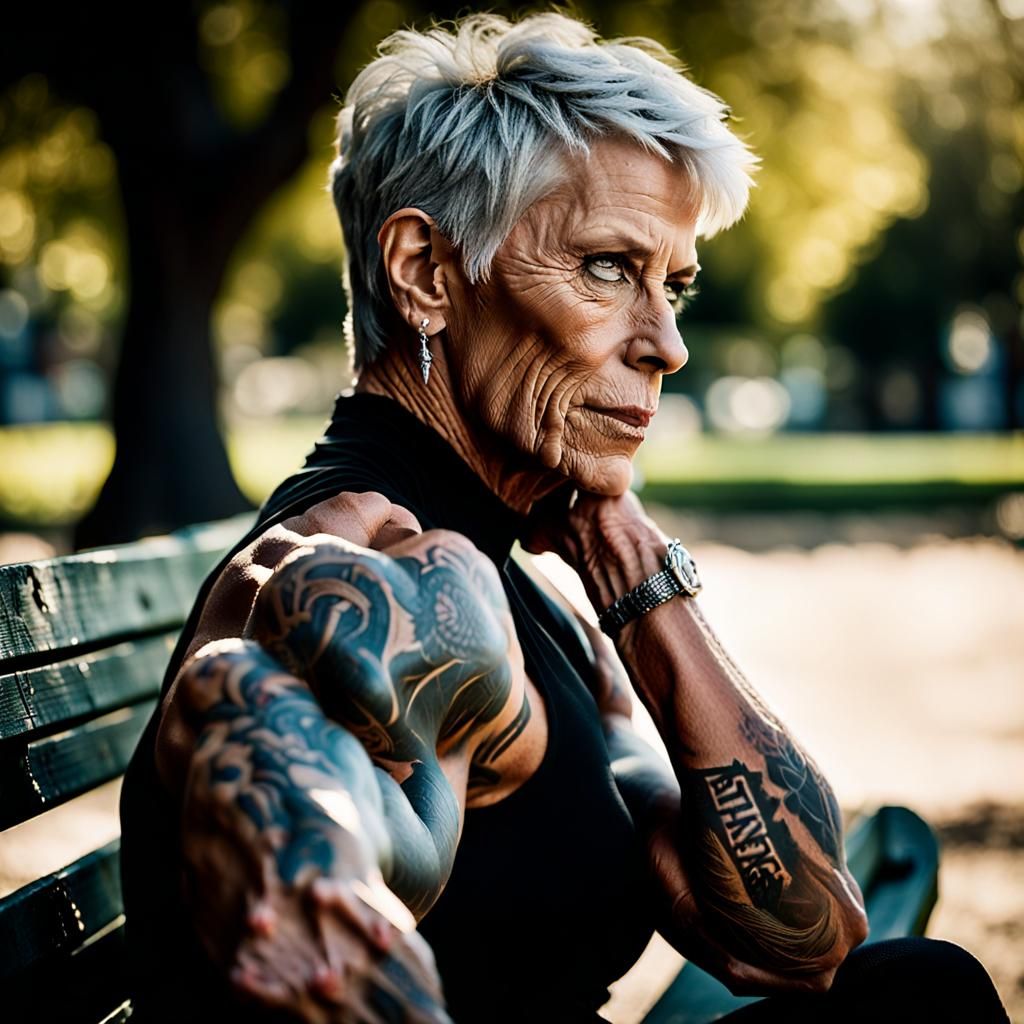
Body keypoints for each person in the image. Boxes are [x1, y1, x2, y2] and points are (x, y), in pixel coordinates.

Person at [118, 11, 1010, 1024]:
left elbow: (804, 942)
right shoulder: (370, 564)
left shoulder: (534, 595)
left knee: (912, 990)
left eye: (673, 284)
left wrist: (631, 563)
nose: (666, 344)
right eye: (607, 269)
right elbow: (274, 773)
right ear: (423, 272)